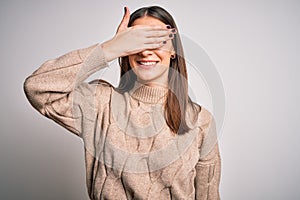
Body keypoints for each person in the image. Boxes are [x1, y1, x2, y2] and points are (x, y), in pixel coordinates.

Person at [23, 5, 221, 200]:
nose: (145, 52)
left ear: (173, 51)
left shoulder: (200, 121)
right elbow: (37, 87)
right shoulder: (99, 103)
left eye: (157, 41)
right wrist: (110, 49)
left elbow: (208, 196)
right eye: (137, 42)